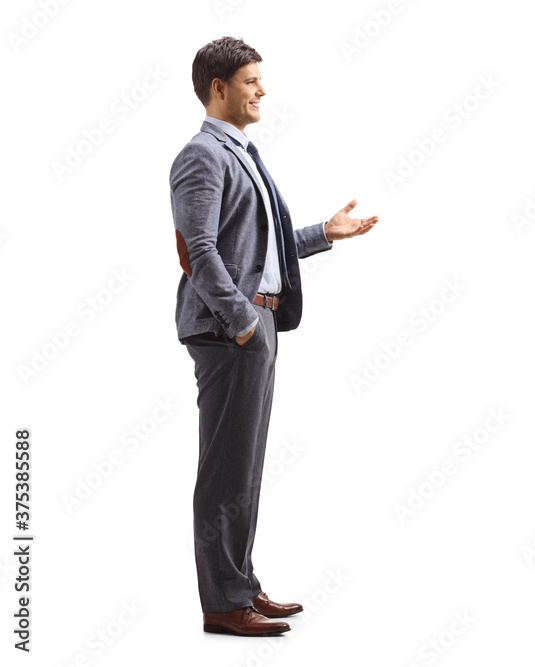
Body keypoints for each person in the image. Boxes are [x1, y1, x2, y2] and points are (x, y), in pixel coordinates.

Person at [170, 36, 378, 637]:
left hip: (258, 319)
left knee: (246, 465)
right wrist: (240, 325)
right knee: (225, 469)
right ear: (218, 87)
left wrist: (324, 233)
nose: (262, 90)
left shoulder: (244, 152)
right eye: (251, 80)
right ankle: (223, 603)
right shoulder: (201, 156)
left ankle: (242, 584)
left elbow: (253, 248)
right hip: (228, 327)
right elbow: (201, 253)